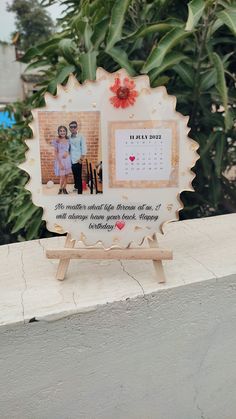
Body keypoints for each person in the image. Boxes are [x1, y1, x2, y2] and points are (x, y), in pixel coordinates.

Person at [52, 126, 71, 194]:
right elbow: (55, 152)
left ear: (66, 132)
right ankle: (60, 188)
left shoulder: (68, 140)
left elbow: (69, 150)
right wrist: (59, 163)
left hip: (67, 160)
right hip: (60, 160)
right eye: (61, 131)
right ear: (58, 132)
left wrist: (67, 153)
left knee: (66, 175)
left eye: (64, 131)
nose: (62, 132)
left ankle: (64, 188)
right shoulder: (56, 140)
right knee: (62, 176)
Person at [69, 121, 87, 194]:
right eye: (71, 127)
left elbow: (84, 148)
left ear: (77, 128)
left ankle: (80, 192)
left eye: (74, 127)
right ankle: (76, 187)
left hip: (78, 160)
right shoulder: (69, 137)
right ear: (69, 128)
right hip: (71, 160)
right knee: (75, 175)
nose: (73, 128)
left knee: (79, 176)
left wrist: (81, 159)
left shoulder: (81, 136)